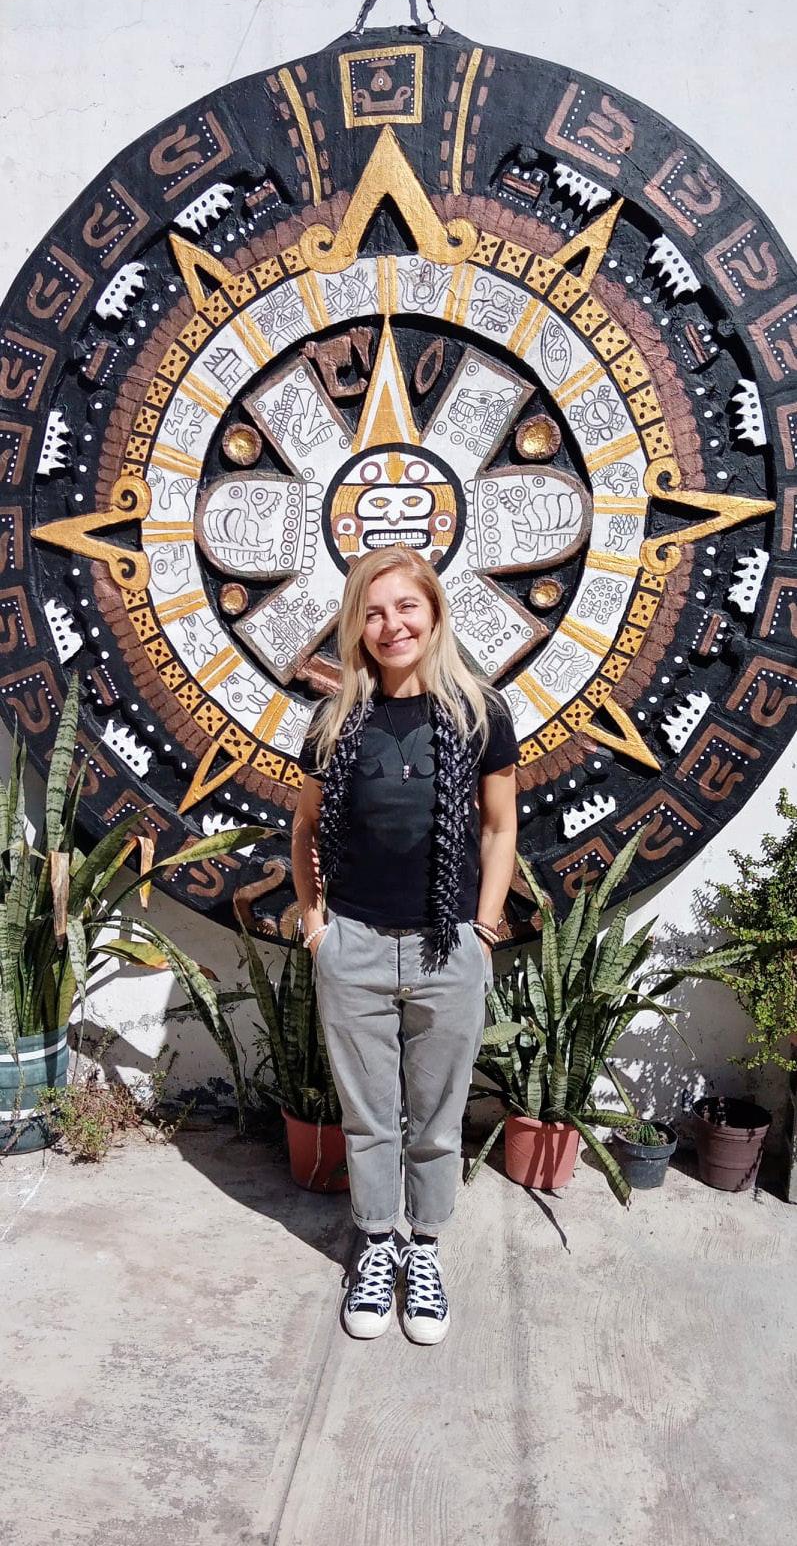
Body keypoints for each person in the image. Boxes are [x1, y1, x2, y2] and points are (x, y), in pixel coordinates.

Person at [292, 546, 518, 1344]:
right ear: (357, 627)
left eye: (405, 607)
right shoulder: (334, 721)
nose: (391, 625)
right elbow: (304, 829)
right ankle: (375, 1242)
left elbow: (499, 828)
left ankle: (423, 1249)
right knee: (367, 1121)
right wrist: (315, 924)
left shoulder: (479, 713)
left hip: (446, 946)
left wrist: (483, 928)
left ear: (433, 612)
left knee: (435, 1121)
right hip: (353, 945)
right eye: (374, 612)